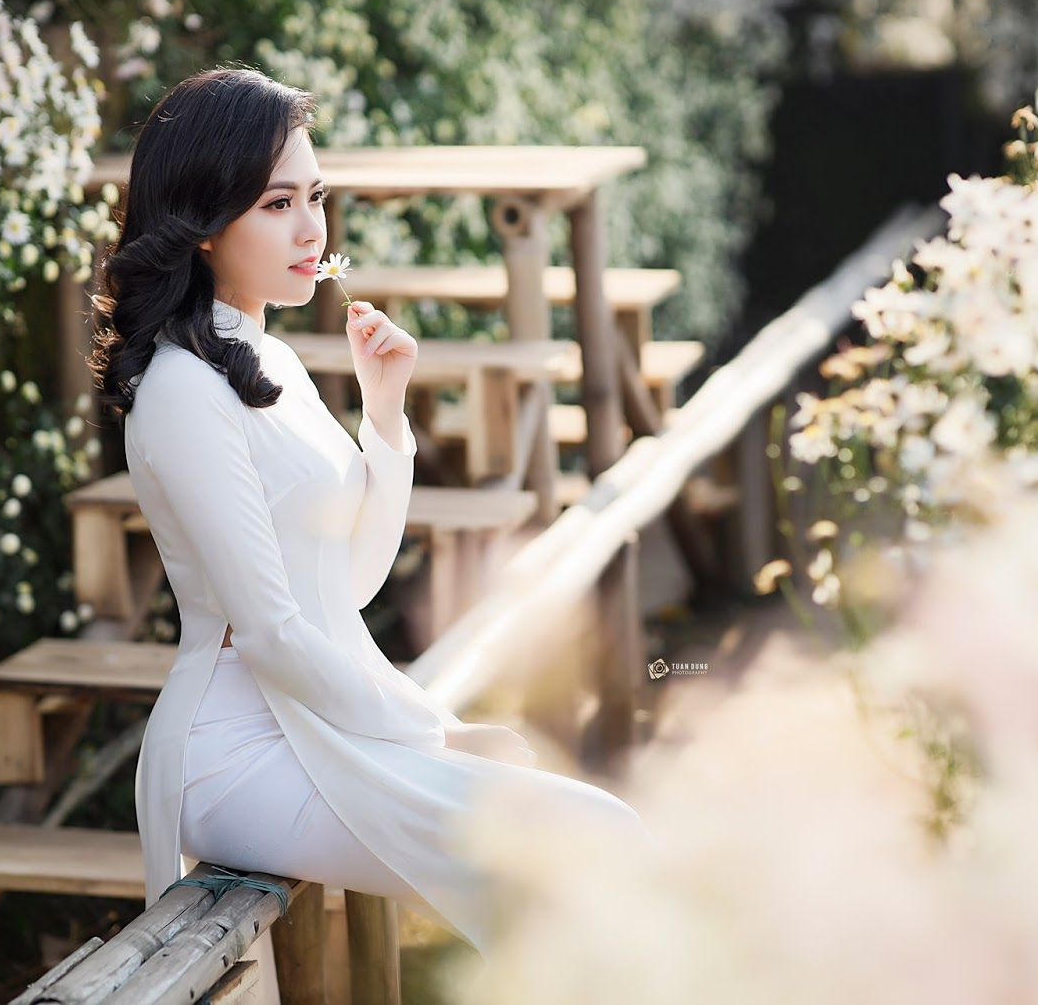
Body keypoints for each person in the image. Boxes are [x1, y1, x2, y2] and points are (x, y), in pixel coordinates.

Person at [87, 67, 650, 996]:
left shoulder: (264, 358)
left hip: (316, 717)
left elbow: (346, 584)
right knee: (584, 846)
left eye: (317, 197)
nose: (313, 230)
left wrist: (383, 417)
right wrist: (428, 733)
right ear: (203, 219)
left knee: (594, 850)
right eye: (277, 204)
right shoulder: (182, 388)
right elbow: (269, 631)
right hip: (237, 751)